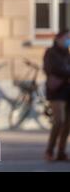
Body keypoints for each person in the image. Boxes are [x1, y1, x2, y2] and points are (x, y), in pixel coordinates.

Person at [43, 29, 70, 161]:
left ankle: (61, 152)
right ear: (59, 38)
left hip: (67, 91)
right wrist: (66, 71)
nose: (68, 41)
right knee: (59, 121)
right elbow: (51, 69)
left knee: (68, 123)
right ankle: (49, 150)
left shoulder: (67, 53)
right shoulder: (50, 52)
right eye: (67, 38)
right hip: (56, 92)